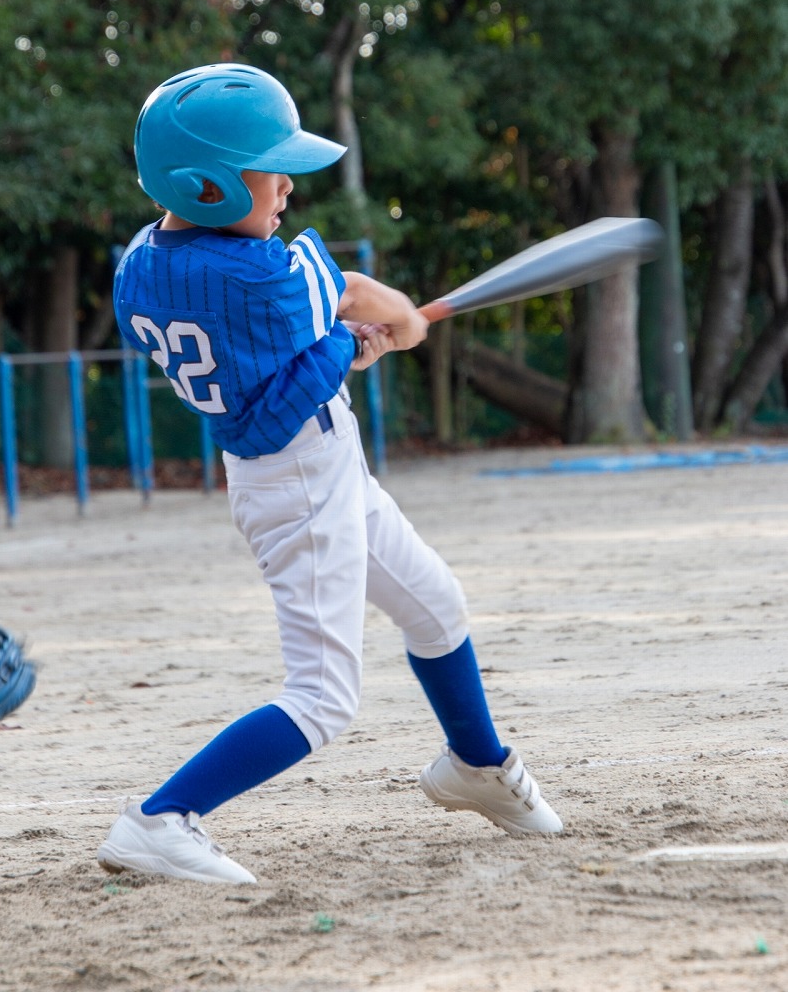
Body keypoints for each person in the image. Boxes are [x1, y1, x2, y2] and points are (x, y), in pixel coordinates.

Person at [97, 63, 562, 885]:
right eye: (267, 170)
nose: (284, 186)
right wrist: (396, 326)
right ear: (203, 185)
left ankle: (477, 765)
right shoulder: (258, 276)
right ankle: (159, 819)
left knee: (435, 606)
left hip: (316, 463)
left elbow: (276, 355)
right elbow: (346, 294)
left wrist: (341, 347)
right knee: (321, 698)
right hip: (296, 484)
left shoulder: (141, 262)